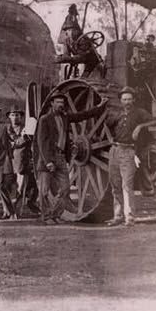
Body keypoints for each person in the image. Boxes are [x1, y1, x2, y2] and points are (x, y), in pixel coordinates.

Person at [35, 93, 107, 224]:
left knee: (65, 189)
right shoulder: (44, 119)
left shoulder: (65, 117)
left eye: (62, 102)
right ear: (52, 104)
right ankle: (46, 217)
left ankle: (55, 214)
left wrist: (99, 107)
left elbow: (82, 115)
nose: (60, 104)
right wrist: (48, 161)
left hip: (61, 157)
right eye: (57, 102)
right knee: (44, 190)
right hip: (48, 159)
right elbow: (41, 142)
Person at [104, 87, 156, 227]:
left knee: (127, 185)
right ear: (121, 100)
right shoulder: (116, 113)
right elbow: (106, 125)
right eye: (124, 99)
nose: (127, 102)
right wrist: (110, 140)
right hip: (114, 150)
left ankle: (129, 217)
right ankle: (118, 216)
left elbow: (154, 121)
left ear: (133, 100)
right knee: (115, 185)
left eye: (129, 99)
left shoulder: (139, 113)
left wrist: (139, 126)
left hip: (129, 152)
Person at [6, 106, 39, 215]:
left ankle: (31, 203)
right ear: (9, 117)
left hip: (27, 161)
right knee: (17, 187)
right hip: (14, 162)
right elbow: (16, 142)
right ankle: (14, 211)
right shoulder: (8, 129)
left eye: (17, 115)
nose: (15, 118)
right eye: (13, 115)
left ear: (21, 117)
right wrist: (24, 136)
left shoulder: (26, 128)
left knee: (32, 185)